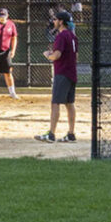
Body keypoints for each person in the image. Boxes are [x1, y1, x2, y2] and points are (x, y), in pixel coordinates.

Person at [37, 10, 79, 142]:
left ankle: (51, 134)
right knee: (69, 103)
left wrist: (48, 55)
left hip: (62, 73)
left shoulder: (61, 36)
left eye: (56, 19)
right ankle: (71, 134)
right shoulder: (73, 36)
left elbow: (57, 55)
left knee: (55, 103)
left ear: (61, 22)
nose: (54, 22)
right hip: (72, 73)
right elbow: (75, 56)